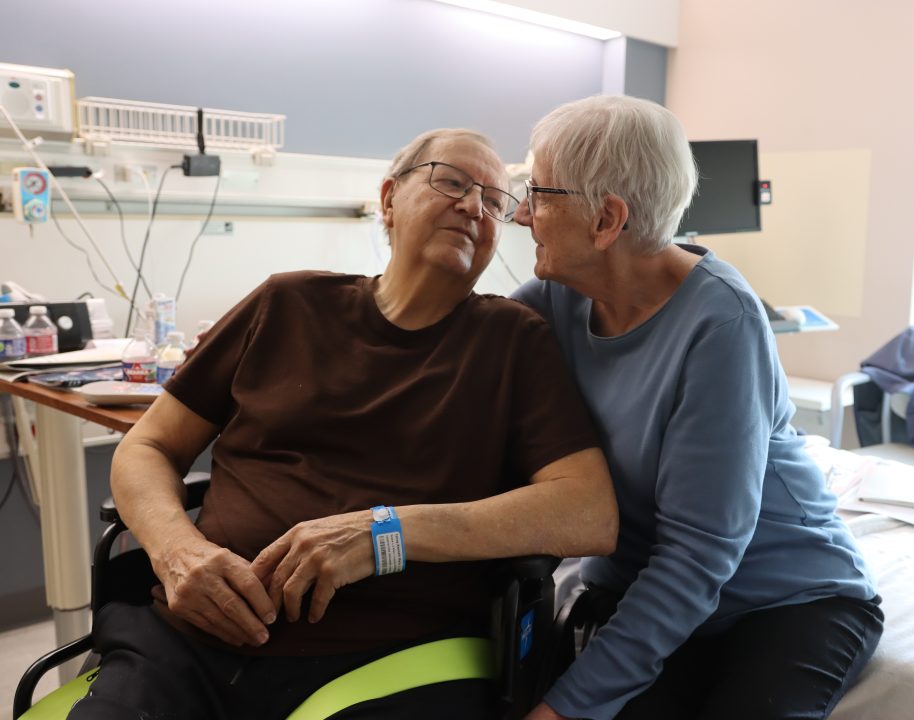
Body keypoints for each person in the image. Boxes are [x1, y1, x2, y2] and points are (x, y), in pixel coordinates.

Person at [74, 128, 618, 720]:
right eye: (452, 181)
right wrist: (178, 551)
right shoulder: (285, 304)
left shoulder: (513, 341)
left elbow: (587, 512)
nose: (473, 207)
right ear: (388, 198)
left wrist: (383, 535)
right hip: (189, 641)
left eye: (494, 201)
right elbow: (147, 445)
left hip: (387, 660)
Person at [511, 96, 883, 720]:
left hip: (782, 599)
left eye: (540, 194)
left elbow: (696, 556)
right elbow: (463, 352)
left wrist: (563, 710)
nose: (523, 214)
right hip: (651, 594)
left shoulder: (721, 323)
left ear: (607, 220)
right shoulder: (556, 299)